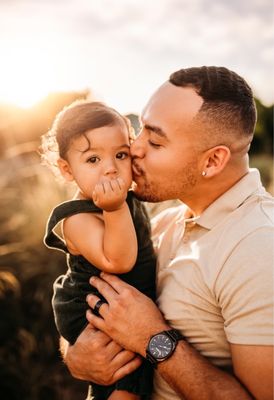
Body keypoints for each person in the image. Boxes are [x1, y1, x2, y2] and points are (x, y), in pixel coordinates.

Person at [62, 67, 273, 400]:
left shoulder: (259, 248)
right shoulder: (164, 221)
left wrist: (151, 338)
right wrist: (76, 354)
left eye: (155, 141)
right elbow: (86, 291)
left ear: (213, 160)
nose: (135, 149)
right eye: (140, 131)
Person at [42, 100, 156, 400]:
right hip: (92, 311)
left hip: (123, 307)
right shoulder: (78, 218)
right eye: (93, 160)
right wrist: (116, 209)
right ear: (67, 170)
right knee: (124, 380)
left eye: (120, 154)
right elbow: (119, 260)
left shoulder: (126, 201)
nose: (110, 169)